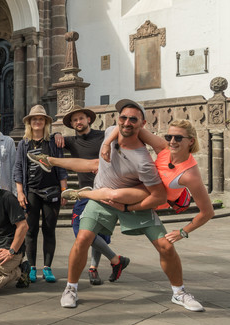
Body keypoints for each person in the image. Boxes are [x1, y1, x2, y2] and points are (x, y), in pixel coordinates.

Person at [60, 99, 206, 312]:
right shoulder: (119, 132)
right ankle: (70, 288)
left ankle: (179, 292)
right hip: (105, 197)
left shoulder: (151, 161)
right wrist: (107, 143)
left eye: (133, 119)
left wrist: (182, 231)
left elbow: (158, 196)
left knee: (165, 246)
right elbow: (117, 131)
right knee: (82, 238)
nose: (127, 122)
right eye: (123, 118)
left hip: (137, 200)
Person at [28, 105, 129, 285]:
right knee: (79, 228)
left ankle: (93, 268)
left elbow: (119, 139)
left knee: (99, 232)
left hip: (106, 190)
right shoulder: (71, 141)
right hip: (85, 192)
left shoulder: (102, 137)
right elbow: (50, 139)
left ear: (88, 119)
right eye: (74, 120)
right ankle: (116, 260)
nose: (78, 122)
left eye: (81, 118)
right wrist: (57, 135)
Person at [13, 105, 67, 283]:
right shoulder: (24, 143)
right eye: (34, 119)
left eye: (41, 119)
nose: (37, 121)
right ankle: (33, 267)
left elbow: (61, 167)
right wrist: (20, 192)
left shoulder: (53, 142)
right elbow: (19, 168)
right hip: (32, 192)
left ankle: (48, 267)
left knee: (49, 229)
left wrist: (64, 190)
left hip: (52, 191)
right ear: (29, 122)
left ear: (45, 122)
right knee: (31, 230)